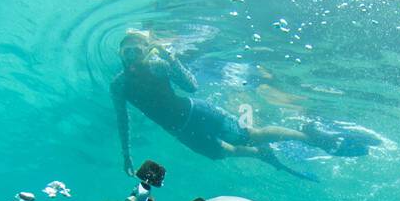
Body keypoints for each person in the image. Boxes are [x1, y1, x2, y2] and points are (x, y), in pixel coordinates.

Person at [110, 29, 345, 179]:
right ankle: (260, 154)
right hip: (180, 132)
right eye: (127, 51)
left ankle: (309, 136)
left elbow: (192, 86)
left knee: (249, 135)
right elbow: (122, 119)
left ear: (146, 51)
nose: (131, 56)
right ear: (120, 53)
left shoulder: (158, 66)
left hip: (197, 112)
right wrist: (126, 155)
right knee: (222, 153)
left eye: (136, 51)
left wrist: (170, 58)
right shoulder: (118, 85)